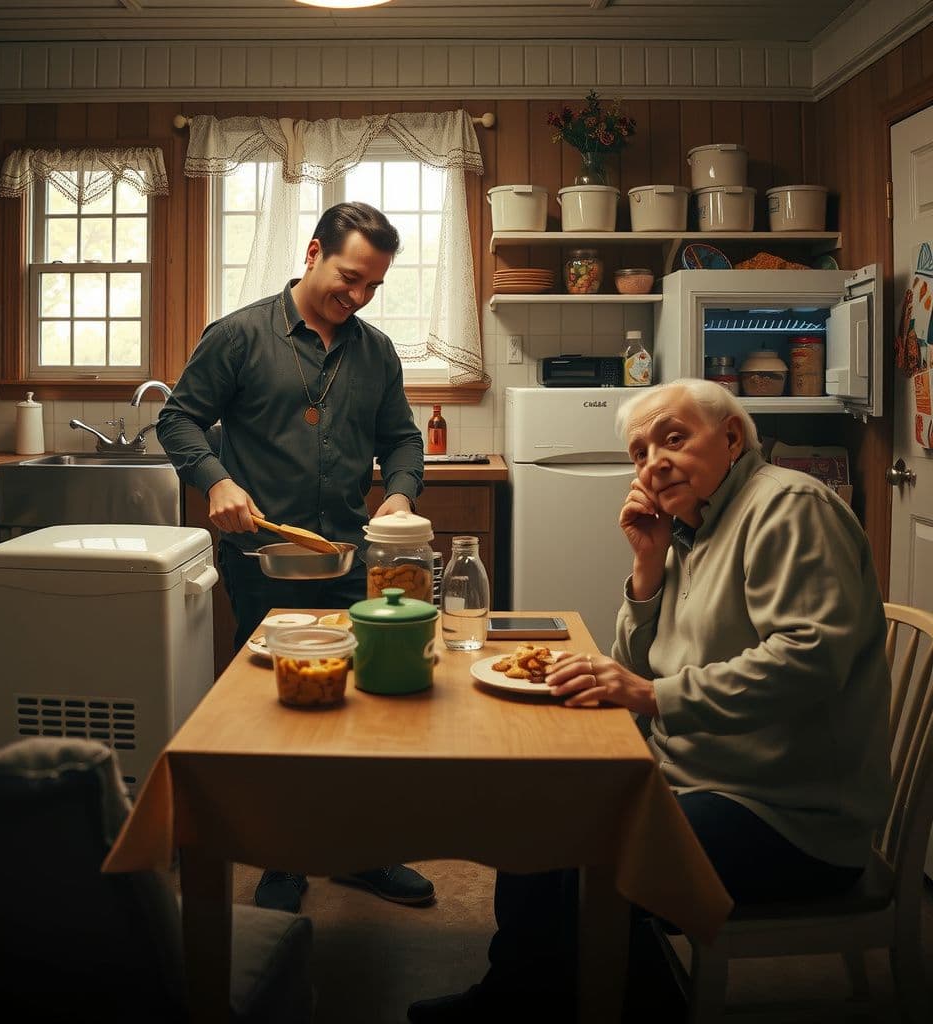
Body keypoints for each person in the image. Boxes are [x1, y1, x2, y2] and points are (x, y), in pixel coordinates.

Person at [407, 378, 892, 1022]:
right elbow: (635, 671)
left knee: (601, 853)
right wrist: (647, 567)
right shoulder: (692, 529)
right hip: (692, 779)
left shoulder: (787, 506)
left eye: (673, 438)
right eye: (639, 452)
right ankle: (515, 996)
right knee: (533, 817)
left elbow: (807, 660)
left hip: (790, 815)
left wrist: (648, 694)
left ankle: (618, 1003)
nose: (653, 461)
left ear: (731, 438)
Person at [157, 201, 434, 915]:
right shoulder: (240, 336)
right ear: (313, 252)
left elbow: (403, 439)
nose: (360, 296)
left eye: (373, 285)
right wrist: (215, 480)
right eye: (350, 278)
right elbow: (178, 417)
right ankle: (283, 859)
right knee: (283, 710)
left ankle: (362, 852)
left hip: (348, 557)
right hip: (261, 559)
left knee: (365, 705)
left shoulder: (376, 351)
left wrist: (400, 495)